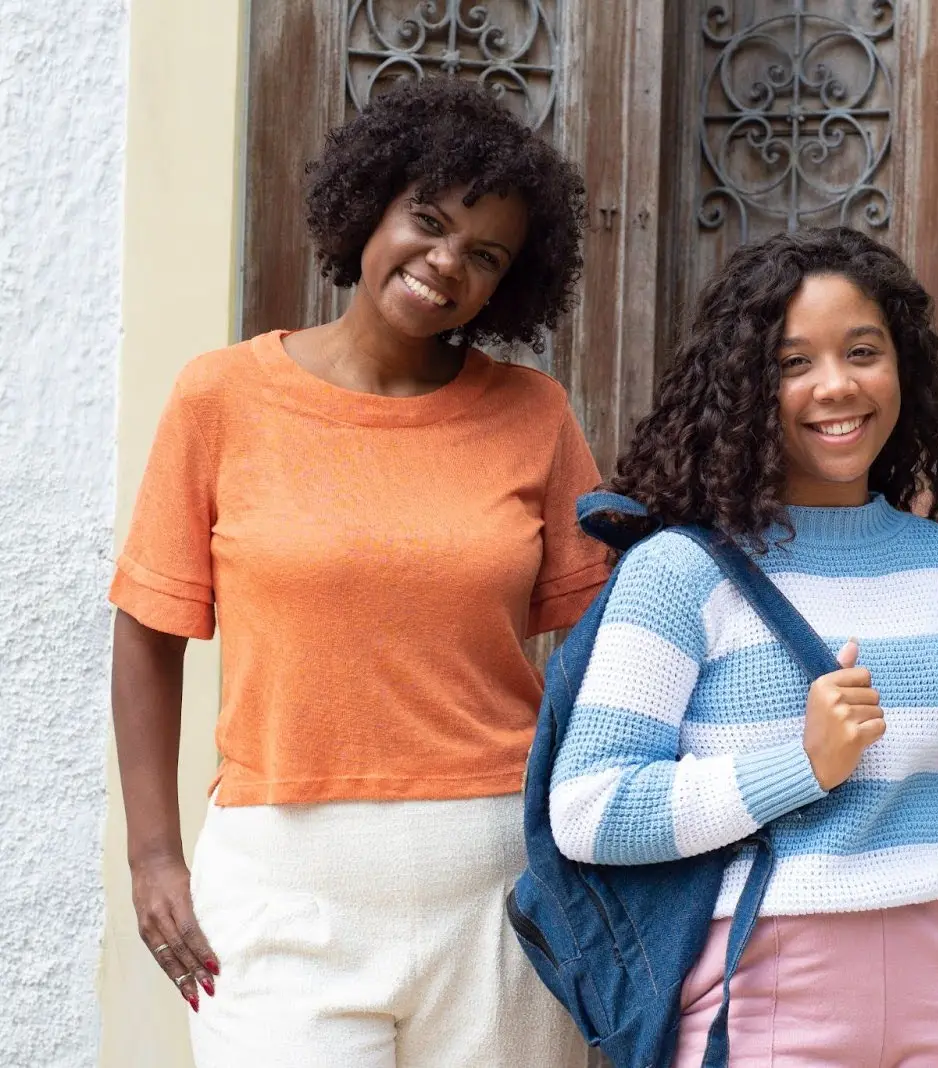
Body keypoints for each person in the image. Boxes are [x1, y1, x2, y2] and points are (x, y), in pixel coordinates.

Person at [109, 78, 608, 1067]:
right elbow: (147, 628)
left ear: (509, 284)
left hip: (495, 886)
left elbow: (613, 637)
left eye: (484, 256)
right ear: (369, 206)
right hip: (282, 886)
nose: (444, 265)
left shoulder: (534, 414)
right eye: (426, 222)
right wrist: (154, 854)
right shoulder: (221, 398)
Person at [547, 226, 938, 1066]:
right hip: (769, 982)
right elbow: (591, 810)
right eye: (794, 363)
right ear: (747, 386)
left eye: (863, 351)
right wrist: (803, 765)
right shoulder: (679, 572)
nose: (836, 386)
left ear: (903, 368)